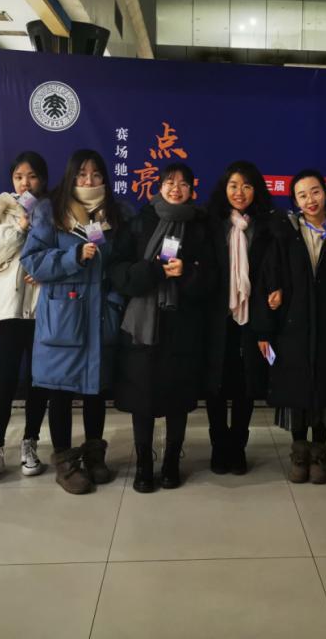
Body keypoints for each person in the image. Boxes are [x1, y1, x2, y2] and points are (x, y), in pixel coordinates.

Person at [21, 149, 125, 495]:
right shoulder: (50, 210)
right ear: (70, 176)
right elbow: (32, 260)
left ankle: (95, 455)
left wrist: (114, 300)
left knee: (95, 390)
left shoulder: (116, 213)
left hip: (100, 313)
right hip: (63, 313)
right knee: (60, 391)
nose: (88, 180)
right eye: (81, 173)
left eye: (96, 174)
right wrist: (73, 256)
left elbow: (122, 263)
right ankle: (65, 463)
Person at [256, 169, 326, 484]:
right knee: (295, 391)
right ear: (295, 201)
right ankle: (299, 452)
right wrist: (265, 326)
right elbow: (269, 277)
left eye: (315, 192)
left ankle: (319, 452)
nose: (310, 200)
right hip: (292, 326)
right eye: (302, 195)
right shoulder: (286, 231)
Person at [111, 163, 214, 493]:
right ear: (159, 185)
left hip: (183, 324)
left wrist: (187, 273)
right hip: (142, 325)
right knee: (141, 396)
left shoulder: (201, 225)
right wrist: (153, 271)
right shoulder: (140, 220)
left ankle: (171, 460)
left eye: (184, 184)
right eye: (170, 182)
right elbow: (118, 270)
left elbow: (212, 277)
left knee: (178, 396)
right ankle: (144, 461)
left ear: (192, 190)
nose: (176, 188)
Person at [0, 151, 51, 485]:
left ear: (42, 180)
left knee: (39, 380)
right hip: (6, 308)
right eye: (19, 177)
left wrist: (46, 270)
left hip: (44, 308)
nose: (25, 183)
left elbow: (62, 253)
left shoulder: (54, 210)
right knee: (3, 380)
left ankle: (30, 444)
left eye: (31, 176)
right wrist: (18, 227)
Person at [204, 160, 274, 475]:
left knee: (246, 383)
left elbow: (273, 269)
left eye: (247, 186)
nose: (240, 192)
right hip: (217, 316)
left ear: (256, 190)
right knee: (216, 384)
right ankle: (219, 445)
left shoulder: (266, 225)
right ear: (224, 188)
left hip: (252, 315)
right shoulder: (211, 223)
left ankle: (238, 446)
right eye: (233, 185)